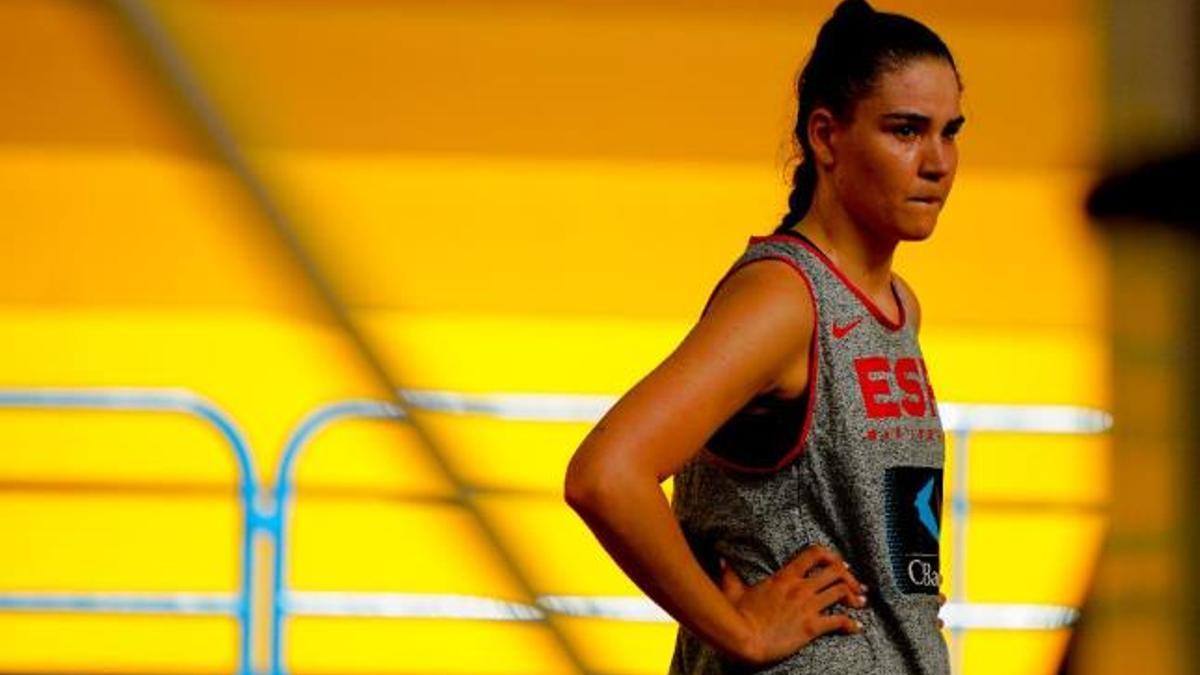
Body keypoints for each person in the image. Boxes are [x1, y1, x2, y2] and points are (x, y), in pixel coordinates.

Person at [563, 0, 964, 672]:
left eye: (950, 132)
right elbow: (606, 473)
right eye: (905, 130)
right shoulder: (784, 299)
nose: (937, 161)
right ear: (827, 137)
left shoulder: (897, 306)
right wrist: (738, 630)